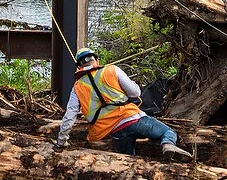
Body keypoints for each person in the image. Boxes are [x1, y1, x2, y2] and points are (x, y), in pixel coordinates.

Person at [55, 48, 191, 159]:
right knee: (168, 131)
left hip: (114, 131)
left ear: (79, 66)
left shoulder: (77, 86)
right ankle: (167, 144)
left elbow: (70, 115)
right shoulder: (111, 70)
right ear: (96, 60)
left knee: (128, 161)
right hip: (133, 119)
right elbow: (135, 92)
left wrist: (61, 141)